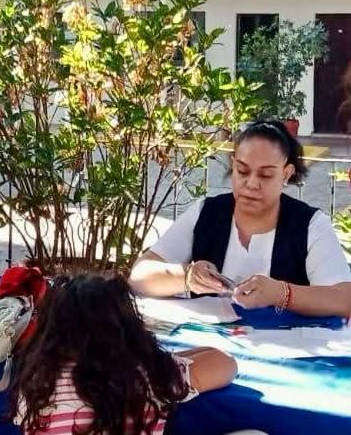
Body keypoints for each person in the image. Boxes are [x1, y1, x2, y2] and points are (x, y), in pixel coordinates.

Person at [5, 274, 237, 435]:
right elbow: (225, 363)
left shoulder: (37, 384)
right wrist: (157, 359)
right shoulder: (149, 379)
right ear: (129, 327)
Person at [130, 120, 351, 318]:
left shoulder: (310, 225)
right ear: (233, 164)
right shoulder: (206, 213)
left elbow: (344, 298)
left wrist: (281, 293)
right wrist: (186, 277)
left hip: (287, 346)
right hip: (210, 343)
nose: (251, 183)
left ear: (286, 173)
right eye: (242, 171)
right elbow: (140, 275)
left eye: (265, 175)